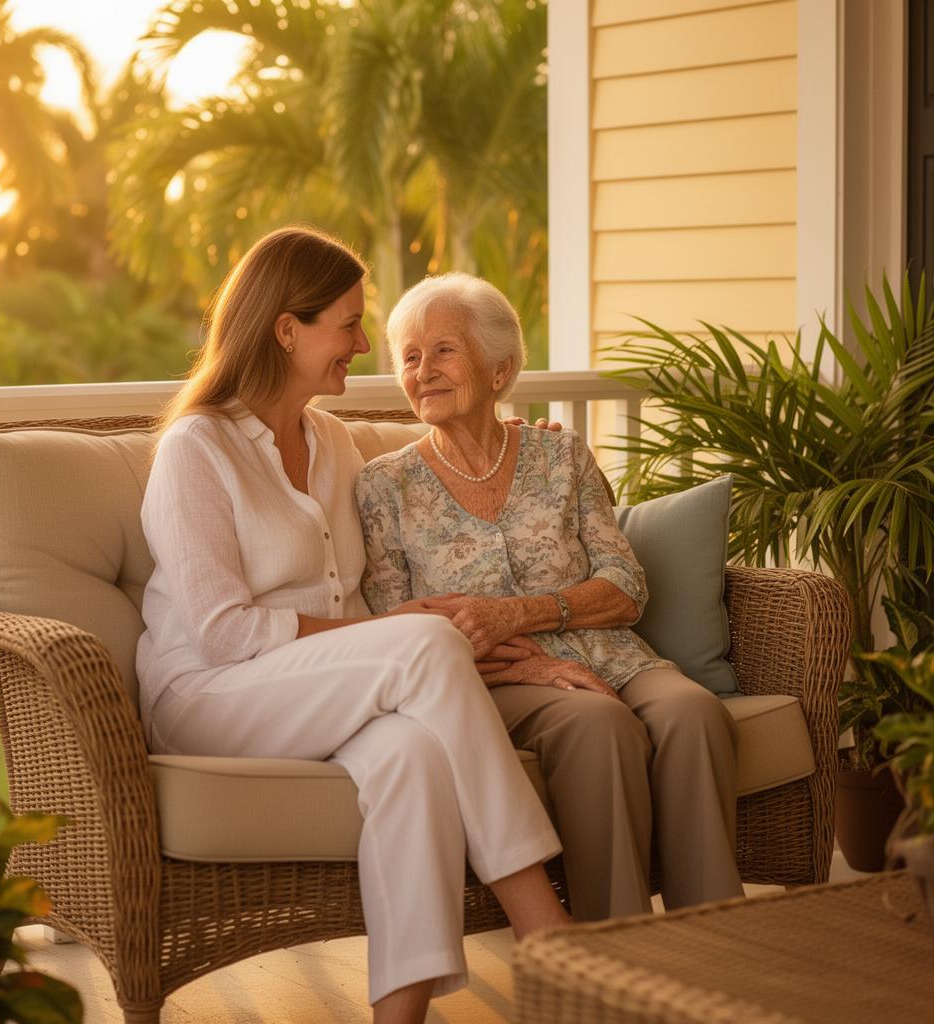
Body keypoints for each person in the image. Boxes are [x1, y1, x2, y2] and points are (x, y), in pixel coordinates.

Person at [135, 228, 569, 1024]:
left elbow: (373, 564)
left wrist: (521, 446)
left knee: (411, 757)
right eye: (348, 323)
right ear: (286, 329)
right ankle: (544, 925)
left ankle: (396, 1019)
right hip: (208, 696)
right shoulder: (196, 449)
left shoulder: (332, 441)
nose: (365, 344)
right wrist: (400, 634)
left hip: (316, 688)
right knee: (428, 641)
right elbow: (223, 632)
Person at [355, 272, 745, 920]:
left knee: (695, 713)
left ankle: (713, 941)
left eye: (444, 350)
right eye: (411, 356)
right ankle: (611, 960)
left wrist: (523, 612)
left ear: (499, 368)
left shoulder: (561, 454)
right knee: (600, 726)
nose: (423, 370)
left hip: (614, 652)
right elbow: (392, 627)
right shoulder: (384, 485)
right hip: (494, 680)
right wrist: (533, 661)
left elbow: (626, 587)